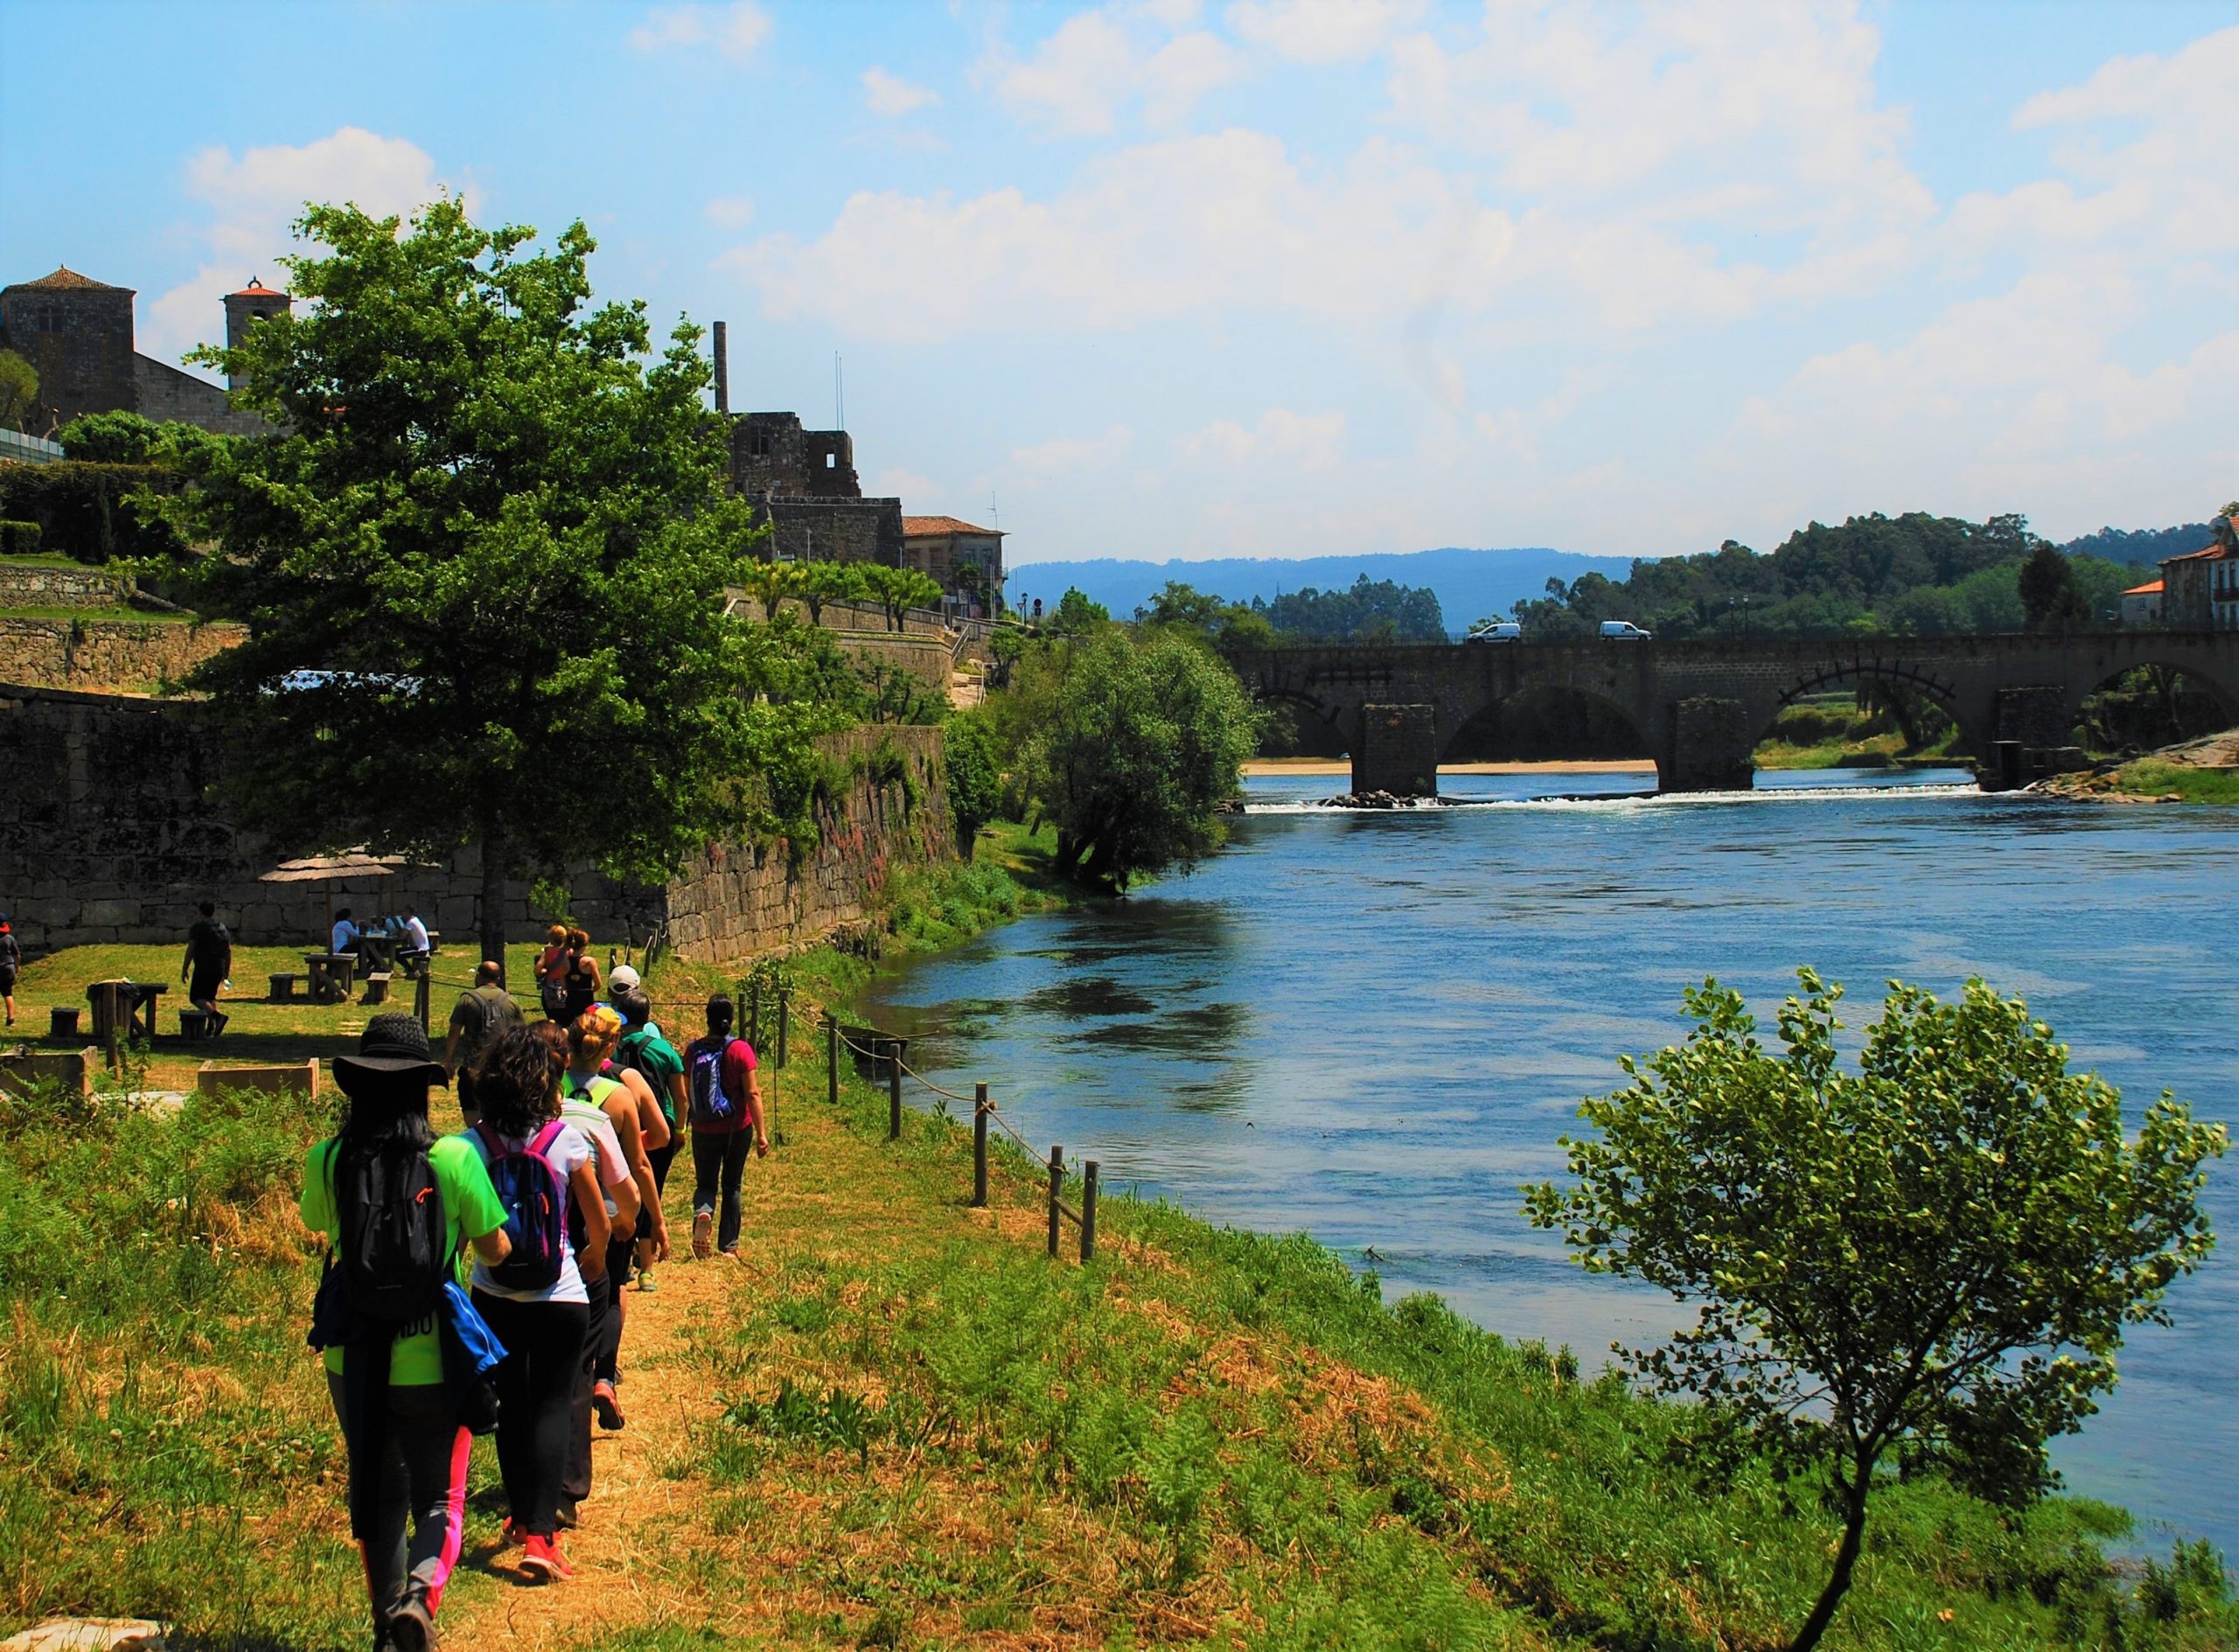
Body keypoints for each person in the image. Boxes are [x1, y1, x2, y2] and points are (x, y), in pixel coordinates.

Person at [300, 1014, 513, 1651]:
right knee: (441, 1496)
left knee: (377, 1486)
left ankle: (385, 1625)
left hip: (354, 1358)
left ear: (359, 1085)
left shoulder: (329, 1157)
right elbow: (497, 1249)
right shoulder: (452, 1157)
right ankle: (420, 1601)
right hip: (435, 1360)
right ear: (424, 1087)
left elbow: (317, 1223)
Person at [460, 1023, 610, 1584]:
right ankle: (544, 1538)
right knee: (550, 1406)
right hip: (559, 1295)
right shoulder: (566, 1139)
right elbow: (599, 1222)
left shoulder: (476, 1144)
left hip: (494, 1293)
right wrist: (591, 1258)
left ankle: (523, 1518)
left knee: (513, 1408)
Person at [683, 994, 765, 1262]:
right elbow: (752, 1093)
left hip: (703, 1128)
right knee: (732, 1185)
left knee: (705, 1183)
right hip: (736, 1128)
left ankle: (703, 1213)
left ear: (707, 1018)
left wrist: (685, 1123)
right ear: (730, 1020)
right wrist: (762, 1135)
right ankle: (729, 1246)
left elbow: (686, 1091)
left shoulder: (693, 1050)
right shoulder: (741, 1050)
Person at [614, 988, 684, 1292]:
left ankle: (623, 1260)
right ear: (648, 1016)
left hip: (620, 1128)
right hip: (658, 1129)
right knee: (651, 1191)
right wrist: (679, 1130)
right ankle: (647, 1269)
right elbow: (680, 1097)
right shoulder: (665, 1050)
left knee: (622, 1191)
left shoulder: (612, 1048)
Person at [445, 961, 523, 1125]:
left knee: (471, 1109)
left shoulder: (467, 999)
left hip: (472, 1066)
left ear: (478, 976)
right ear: (499, 978)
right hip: (502, 1067)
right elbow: (522, 1033)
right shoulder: (511, 1001)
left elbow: (454, 1031)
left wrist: (449, 1059)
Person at [180, 901, 233, 1032]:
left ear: (200, 912)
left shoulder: (199, 928)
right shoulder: (222, 927)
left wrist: (185, 968)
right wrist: (226, 972)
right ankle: (211, 1027)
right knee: (210, 997)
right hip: (218, 968)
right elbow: (228, 950)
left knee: (196, 997)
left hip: (204, 968)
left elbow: (191, 949)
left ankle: (217, 1017)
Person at [560, 930, 599, 1024]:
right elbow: (598, 985)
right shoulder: (589, 962)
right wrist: (589, 990)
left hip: (571, 999)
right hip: (587, 1000)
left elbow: (563, 985)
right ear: (584, 945)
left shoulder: (563, 962)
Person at [534, 924, 570, 1021]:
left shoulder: (547, 952)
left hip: (550, 988)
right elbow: (568, 968)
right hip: (564, 987)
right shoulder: (568, 952)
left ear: (550, 938)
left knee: (552, 1018)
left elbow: (537, 970)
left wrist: (544, 970)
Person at [0, 913, 19, 1029]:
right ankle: (11, 1019)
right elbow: (17, 955)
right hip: (8, 968)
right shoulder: (9, 938)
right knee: (7, 993)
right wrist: (17, 967)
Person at [401, 905, 433, 974]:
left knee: (396, 954)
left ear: (408, 912)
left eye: (404, 911)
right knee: (398, 951)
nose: (402, 913)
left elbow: (402, 935)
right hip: (422, 948)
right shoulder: (415, 919)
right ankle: (410, 969)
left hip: (420, 949)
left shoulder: (410, 922)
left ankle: (410, 970)